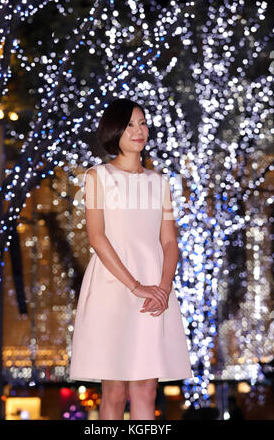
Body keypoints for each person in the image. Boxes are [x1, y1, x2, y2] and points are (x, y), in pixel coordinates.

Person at [69, 98, 193, 420]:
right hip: (114, 286)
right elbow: (97, 238)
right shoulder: (98, 177)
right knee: (113, 390)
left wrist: (162, 288)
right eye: (129, 125)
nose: (139, 131)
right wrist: (136, 286)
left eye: (142, 123)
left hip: (155, 288)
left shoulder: (159, 182)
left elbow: (169, 241)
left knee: (146, 389)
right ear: (114, 131)